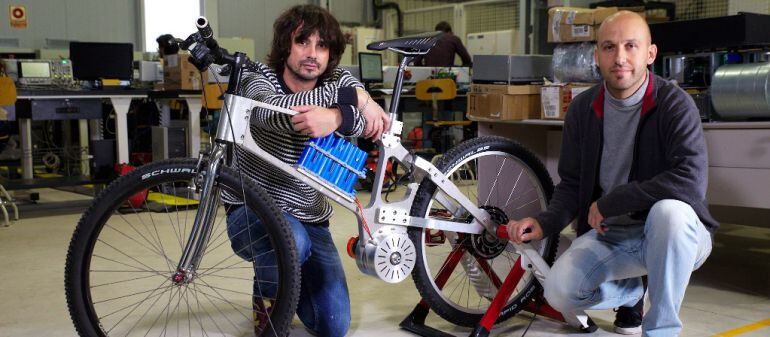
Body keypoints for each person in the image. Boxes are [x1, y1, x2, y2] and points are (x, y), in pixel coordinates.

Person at [504, 11, 717, 337]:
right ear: (596, 56)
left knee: (669, 212)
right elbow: (572, 183)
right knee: (559, 292)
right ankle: (633, 291)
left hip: (674, 236)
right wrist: (545, 222)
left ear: (650, 53)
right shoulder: (582, 109)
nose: (620, 57)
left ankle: (661, 330)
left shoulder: (674, 105)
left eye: (631, 46)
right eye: (609, 47)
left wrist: (613, 201)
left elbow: (689, 179)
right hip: (614, 237)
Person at [222, 4, 389, 337]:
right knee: (292, 241)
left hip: (310, 214)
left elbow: (365, 125)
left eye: (322, 46)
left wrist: (338, 116)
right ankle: (268, 294)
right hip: (251, 209)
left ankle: (288, 280)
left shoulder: (338, 79)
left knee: (333, 325)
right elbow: (270, 113)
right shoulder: (259, 79)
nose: (312, 54)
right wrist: (354, 98)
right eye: (303, 42)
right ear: (287, 44)